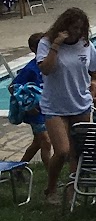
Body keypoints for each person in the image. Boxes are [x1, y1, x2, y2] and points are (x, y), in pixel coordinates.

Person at [38, 7, 96, 204]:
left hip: (81, 104)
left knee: (77, 152)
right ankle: (51, 189)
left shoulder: (85, 44)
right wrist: (56, 45)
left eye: (80, 28)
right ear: (63, 26)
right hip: (55, 106)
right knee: (62, 151)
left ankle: (72, 191)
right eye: (73, 27)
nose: (76, 32)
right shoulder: (46, 43)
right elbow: (46, 69)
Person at [10, 32, 51, 168]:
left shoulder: (50, 65)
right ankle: (52, 173)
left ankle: (18, 169)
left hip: (48, 109)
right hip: (35, 112)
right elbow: (13, 87)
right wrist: (27, 107)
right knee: (46, 141)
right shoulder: (30, 69)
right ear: (33, 49)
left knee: (37, 143)